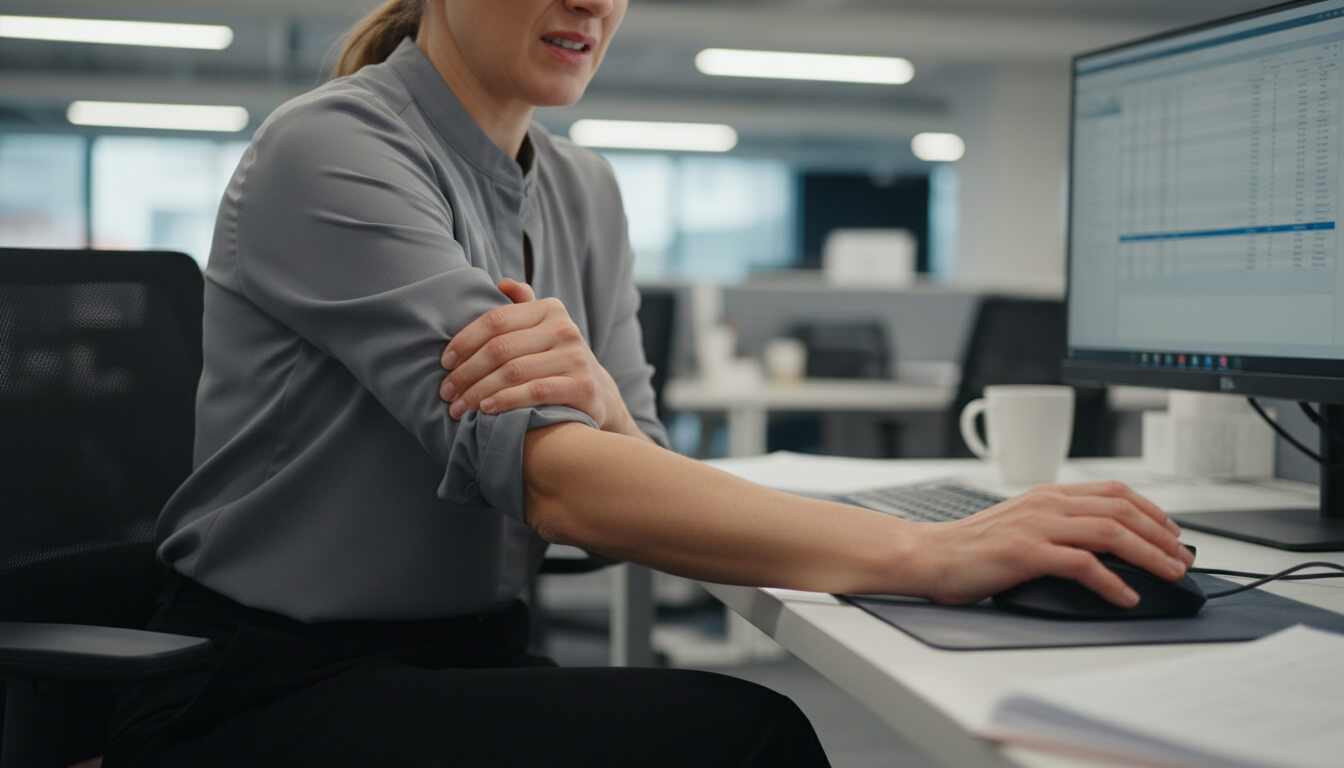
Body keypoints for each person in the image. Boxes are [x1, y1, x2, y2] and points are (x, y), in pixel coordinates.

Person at [103, 0, 1194, 765]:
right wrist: (933, 555)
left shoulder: (584, 189)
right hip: (268, 683)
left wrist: (608, 414)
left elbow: (637, 476)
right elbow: (564, 486)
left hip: (472, 655)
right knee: (745, 738)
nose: (594, 2)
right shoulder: (331, 147)